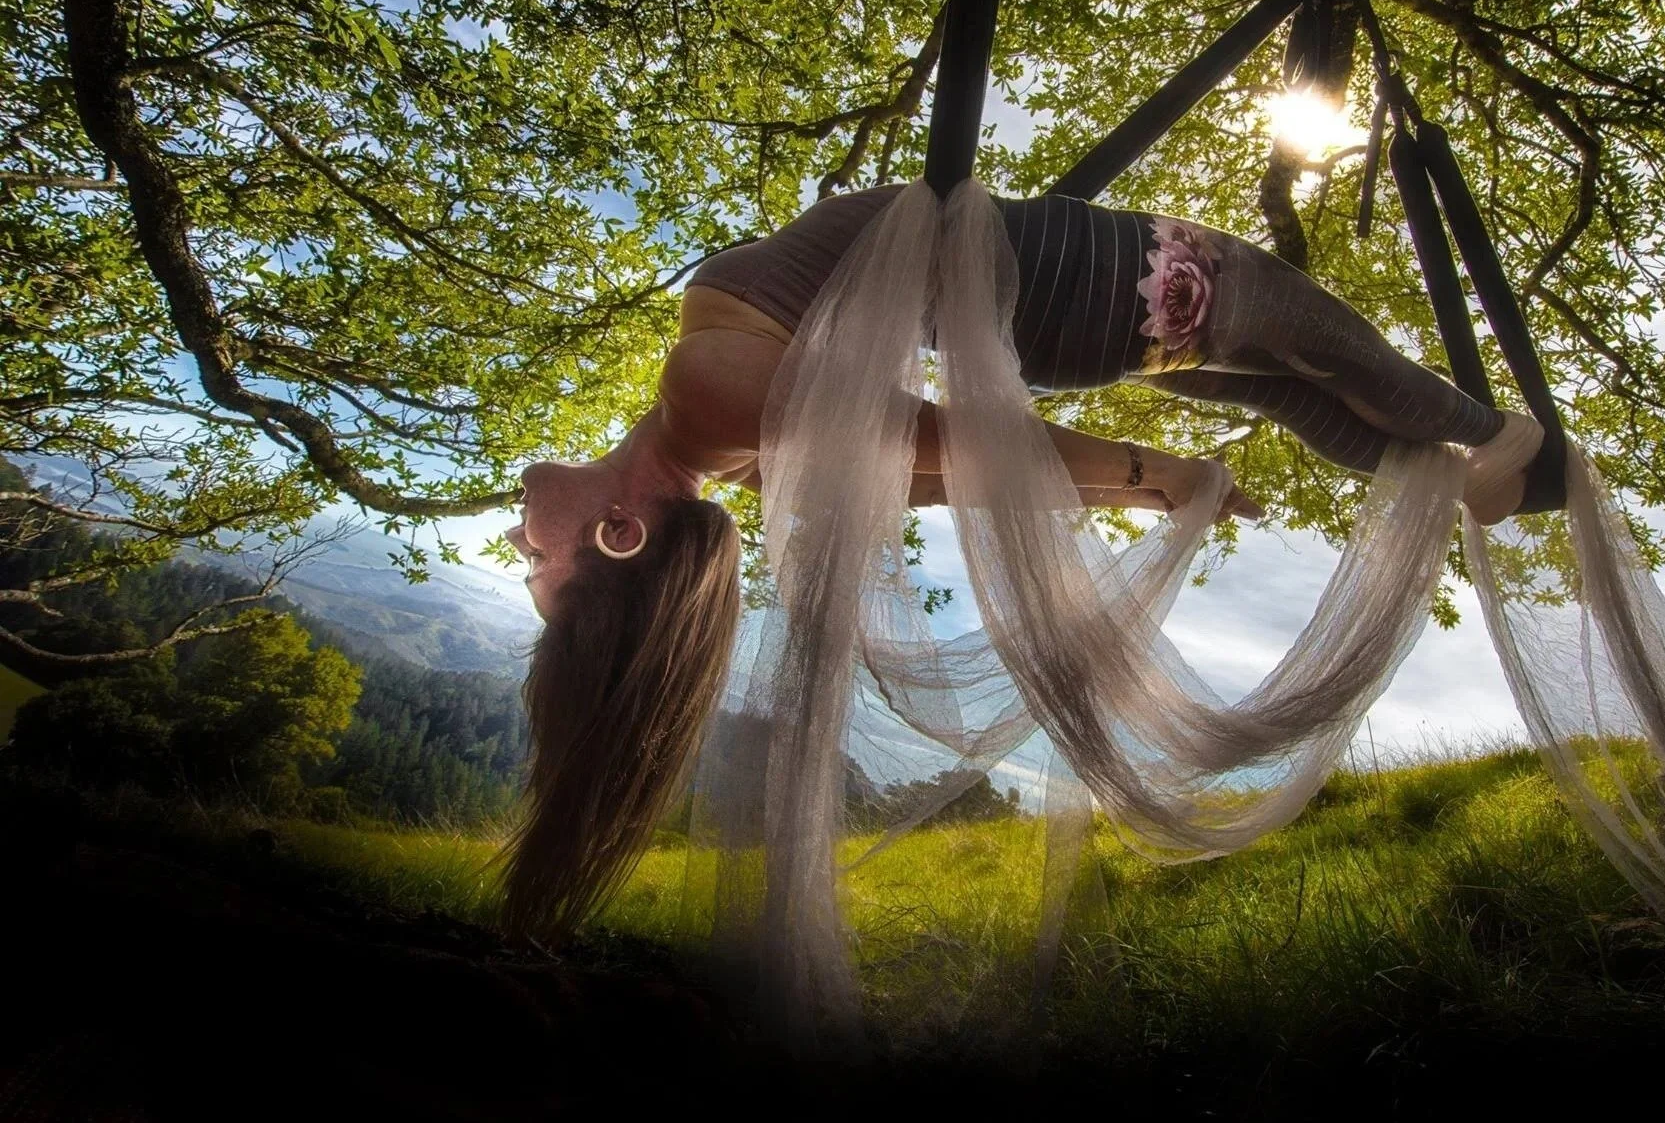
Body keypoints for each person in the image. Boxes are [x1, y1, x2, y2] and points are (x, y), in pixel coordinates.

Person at [498, 184, 1545, 938]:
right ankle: (1495, 447)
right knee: (1306, 332)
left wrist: (1168, 481)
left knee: (1285, 380)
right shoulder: (707, 396)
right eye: (538, 566)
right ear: (618, 535)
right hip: (1064, 286)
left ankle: (1455, 484)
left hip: (1047, 318)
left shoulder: (754, 462)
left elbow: (977, 474)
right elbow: (985, 453)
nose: (516, 541)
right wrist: (1165, 475)